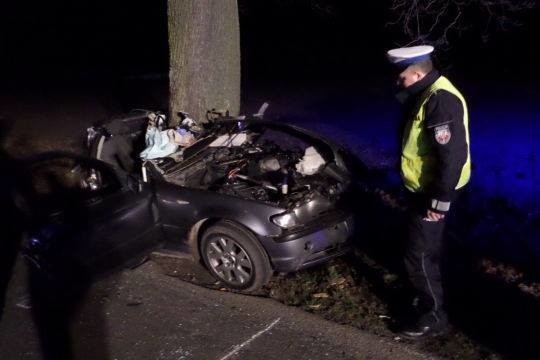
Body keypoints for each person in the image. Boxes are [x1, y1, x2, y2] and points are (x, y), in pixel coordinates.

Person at [387, 45, 471, 338]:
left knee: (418, 253)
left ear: (419, 72)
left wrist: (439, 201)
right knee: (423, 249)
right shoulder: (425, 93)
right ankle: (422, 296)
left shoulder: (440, 99)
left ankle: (433, 315)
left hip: (433, 193)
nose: (399, 81)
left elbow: (452, 156)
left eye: (403, 77)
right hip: (422, 189)